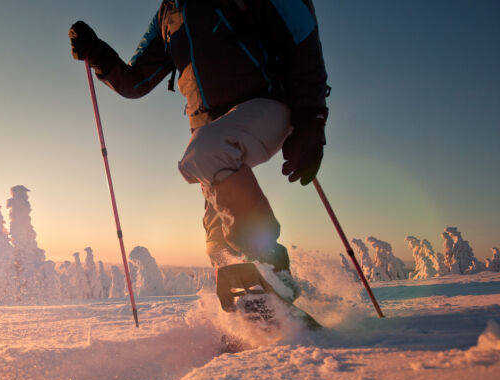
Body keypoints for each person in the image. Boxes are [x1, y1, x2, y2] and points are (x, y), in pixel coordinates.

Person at [68, 0, 329, 295]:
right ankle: (254, 318)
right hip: (209, 132)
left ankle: (271, 266)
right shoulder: (168, 14)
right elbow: (135, 81)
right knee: (218, 242)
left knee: (204, 152)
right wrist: (97, 52)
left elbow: (302, 38)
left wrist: (312, 120)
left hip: (266, 104)